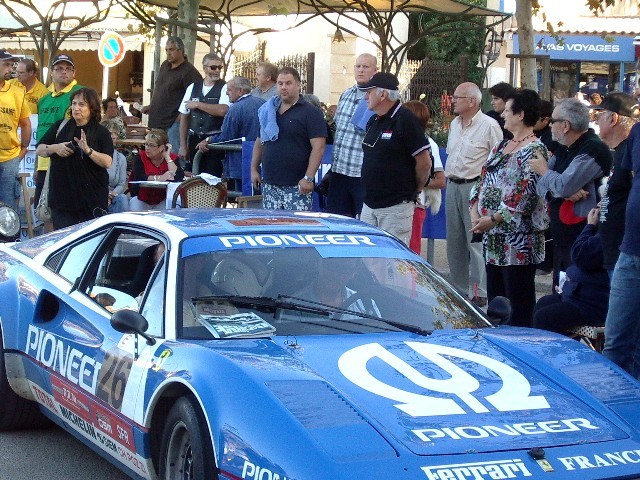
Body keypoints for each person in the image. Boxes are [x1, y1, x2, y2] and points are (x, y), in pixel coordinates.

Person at [470, 89, 549, 327]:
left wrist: (493, 218)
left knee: (518, 303)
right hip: (492, 239)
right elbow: (481, 180)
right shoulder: (500, 146)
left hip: (518, 241)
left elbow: (525, 196)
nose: (502, 114)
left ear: (521, 114)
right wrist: (475, 211)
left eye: (507, 110)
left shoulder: (536, 150)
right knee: (496, 304)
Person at [530, 98, 612, 292]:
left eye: (553, 121)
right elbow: (540, 187)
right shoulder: (563, 147)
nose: (550, 125)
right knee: (558, 290)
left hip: (582, 237)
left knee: (574, 293)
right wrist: (562, 191)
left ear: (565, 125)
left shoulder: (592, 148)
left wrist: (546, 172)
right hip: (561, 236)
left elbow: (559, 183)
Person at [445, 82, 503, 307]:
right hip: (453, 184)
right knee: (455, 241)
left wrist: (487, 192)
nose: (453, 101)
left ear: (472, 101)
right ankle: (459, 290)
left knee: (476, 240)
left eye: (458, 97)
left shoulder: (490, 126)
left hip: (476, 187)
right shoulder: (454, 124)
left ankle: (480, 291)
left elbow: (498, 160)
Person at [358, 73, 432, 246]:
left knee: (393, 262)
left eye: (369, 92)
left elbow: (424, 163)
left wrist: (414, 189)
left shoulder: (406, 120)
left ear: (383, 94)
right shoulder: (373, 121)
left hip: (395, 207)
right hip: (369, 204)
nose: (365, 97)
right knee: (369, 260)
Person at [35, 88, 112, 229]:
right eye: (74, 103)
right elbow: (39, 149)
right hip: (62, 198)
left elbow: (107, 162)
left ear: (92, 107)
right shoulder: (61, 126)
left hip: (91, 199)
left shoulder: (101, 132)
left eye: (81, 104)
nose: (76, 108)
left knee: (90, 243)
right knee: (64, 241)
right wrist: (55, 148)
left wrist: (88, 151)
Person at [251, 67, 326, 210]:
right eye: (280, 83)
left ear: (298, 85)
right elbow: (260, 141)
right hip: (270, 185)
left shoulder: (311, 112)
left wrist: (308, 178)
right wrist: (254, 169)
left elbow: (319, 147)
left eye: (288, 83)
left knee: (296, 229)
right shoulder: (268, 110)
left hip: (297, 187)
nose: (283, 87)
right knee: (271, 229)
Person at [533, 207, 609, 335]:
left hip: (593, 303)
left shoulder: (612, 229)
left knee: (544, 318)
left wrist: (590, 226)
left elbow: (581, 254)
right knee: (543, 303)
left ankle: (559, 354)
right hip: (580, 295)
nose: (599, 205)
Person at [603, 121, 640, 380]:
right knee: (615, 343)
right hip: (629, 252)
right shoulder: (637, 132)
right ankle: (615, 414)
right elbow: (628, 182)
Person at [592, 93, 639, 276]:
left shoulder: (631, 152)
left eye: (599, 115)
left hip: (626, 256)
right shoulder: (618, 152)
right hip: (613, 253)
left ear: (613, 118)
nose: (595, 121)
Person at [326, 53, 378, 217]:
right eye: (358, 66)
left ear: (375, 71)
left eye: (365, 67)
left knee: (364, 226)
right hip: (339, 172)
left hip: (362, 174)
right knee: (338, 224)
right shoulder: (346, 94)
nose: (361, 70)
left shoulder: (378, 98)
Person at [196, 76, 264, 192]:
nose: (227, 93)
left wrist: (208, 140)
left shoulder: (235, 109)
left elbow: (226, 137)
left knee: (243, 200)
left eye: (229, 90)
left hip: (241, 162)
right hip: (263, 162)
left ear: (240, 91)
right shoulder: (264, 103)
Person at [34, 54, 82, 215]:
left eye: (68, 68)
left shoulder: (80, 94)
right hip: (44, 161)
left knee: (64, 213)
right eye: (59, 68)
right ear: (52, 73)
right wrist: (36, 165)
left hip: (67, 162)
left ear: (74, 73)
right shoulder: (44, 99)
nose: (64, 72)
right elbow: (41, 133)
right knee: (45, 213)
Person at [141, 37, 201, 155]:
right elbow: (160, 89)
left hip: (173, 123)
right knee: (156, 155)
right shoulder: (165, 65)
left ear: (181, 51)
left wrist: (181, 115)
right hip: (157, 121)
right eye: (167, 49)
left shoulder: (189, 71)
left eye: (172, 49)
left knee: (173, 156)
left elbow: (196, 94)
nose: (168, 53)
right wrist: (151, 105)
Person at [178, 53, 230, 174]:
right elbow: (184, 116)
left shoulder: (225, 87)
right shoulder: (192, 87)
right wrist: (182, 145)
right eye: (213, 67)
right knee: (195, 176)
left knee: (213, 177)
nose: (217, 70)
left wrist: (197, 104)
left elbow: (223, 110)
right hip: (194, 138)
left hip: (214, 140)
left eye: (219, 67)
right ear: (204, 68)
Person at [0, 49, 31, 211]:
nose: (10, 69)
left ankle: (8, 237)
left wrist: (24, 148)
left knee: (8, 206)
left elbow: (25, 123)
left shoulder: (17, 93)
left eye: (12, 65)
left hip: (10, 157)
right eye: (6, 65)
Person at [128, 129, 184, 211]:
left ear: (161, 147)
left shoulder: (172, 158)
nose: (147, 148)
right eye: (146, 144)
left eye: (151, 145)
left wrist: (167, 157)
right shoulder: (141, 157)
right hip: (142, 199)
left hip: (163, 199)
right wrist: (160, 178)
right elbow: (140, 177)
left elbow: (178, 177)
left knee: (173, 207)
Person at [100, 118, 129, 213]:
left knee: (123, 199)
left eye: (115, 133)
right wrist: (105, 194)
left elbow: (121, 183)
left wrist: (113, 194)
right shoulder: (94, 155)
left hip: (113, 195)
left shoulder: (121, 158)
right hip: (97, 194)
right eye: (110, 133)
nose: (113, 136)